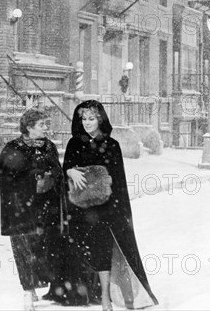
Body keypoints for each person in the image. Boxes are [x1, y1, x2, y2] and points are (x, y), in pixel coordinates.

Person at [57, 100, 158, 310]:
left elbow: (117, 177)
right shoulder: (74, 143)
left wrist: (111, 199)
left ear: (100, 119)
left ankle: (105, 297)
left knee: (103, 249)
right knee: (82, 247)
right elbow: (66, 166)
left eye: (91, 118)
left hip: (104, 207)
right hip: (79, 207)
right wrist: (70, 170)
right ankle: (86, 293)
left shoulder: (112, 145)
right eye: (83, 119)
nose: (86, 123)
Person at [0, 108, 68, 311]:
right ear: (29, 128)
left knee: (44, 250)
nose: (46, 128)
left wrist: (51, 177)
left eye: (46, 124)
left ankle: (44, 286)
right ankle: (28, 291)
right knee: (24, 251)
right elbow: (8, 178)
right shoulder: (13, 148)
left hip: (46, 208)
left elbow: (57, 170)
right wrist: (35, 178)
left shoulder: (48, 146)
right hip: (21, 209)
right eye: (42, 125)